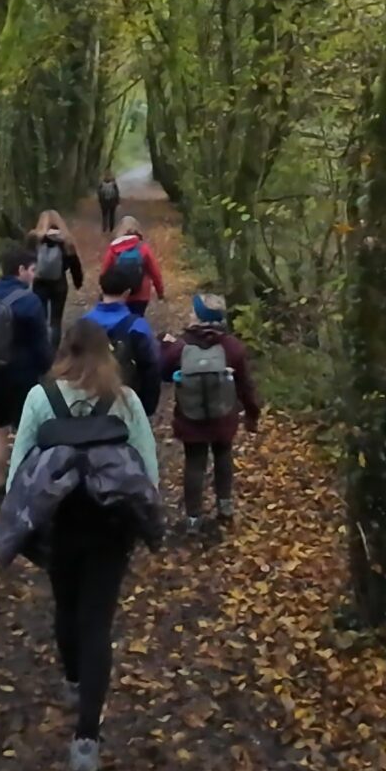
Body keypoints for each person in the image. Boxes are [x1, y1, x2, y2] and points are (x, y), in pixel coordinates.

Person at [0, 318, 162, 771]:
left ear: (63, 351)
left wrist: (20, 526)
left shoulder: (40, 398)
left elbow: (19, 473)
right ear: (107, 354)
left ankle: (73, 680)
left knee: (66, 606)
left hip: (61, 522)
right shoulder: (124, 401)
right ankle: (87, 739)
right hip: (111, 526)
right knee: (97, 622)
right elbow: (147, 469)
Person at [159, 294, 262, 533]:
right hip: (223, 417)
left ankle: (193, 518)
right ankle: (225, 507)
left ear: (198, 317)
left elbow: (163, 373)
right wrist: (252, 414)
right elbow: (245, 386)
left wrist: (164, 347)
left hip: (190, 418)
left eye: (193, 311)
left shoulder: (180, 347)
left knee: (194, 464)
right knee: (223, 457)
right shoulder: (232, 347)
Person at [0, 242, 52, 490]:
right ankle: (26, 485)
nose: (34, 275)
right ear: (21, 270)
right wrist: (48, 372)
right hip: (23, 377)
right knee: (29, 432)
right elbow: (40, 345)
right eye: (32, 270)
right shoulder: (30, 301)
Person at [82, 266, 164, 418]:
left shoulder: (83, 323)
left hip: (88, 399)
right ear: (127, 292)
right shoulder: (137, 326)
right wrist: (147, 407)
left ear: (101, 289)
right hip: (125, 401)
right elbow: (151, 367)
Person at [29, 209, 88, 330]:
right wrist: (78, 282)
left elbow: (26, 258)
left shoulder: (35, 239)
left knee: (41, 317)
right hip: (59, 283)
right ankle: (54, 341)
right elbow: (74, 264)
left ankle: (42, 339)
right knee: (56, 320)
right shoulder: (66, 241)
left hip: (39, 282)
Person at [100, 215, 166, 319]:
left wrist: (105, 293)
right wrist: (160, 292)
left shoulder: (114, 249)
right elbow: (155, 273)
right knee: (136, 321)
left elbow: (104, 272)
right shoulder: (143, 248)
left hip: (119, 294)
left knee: (120, 321)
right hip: (141, 295)